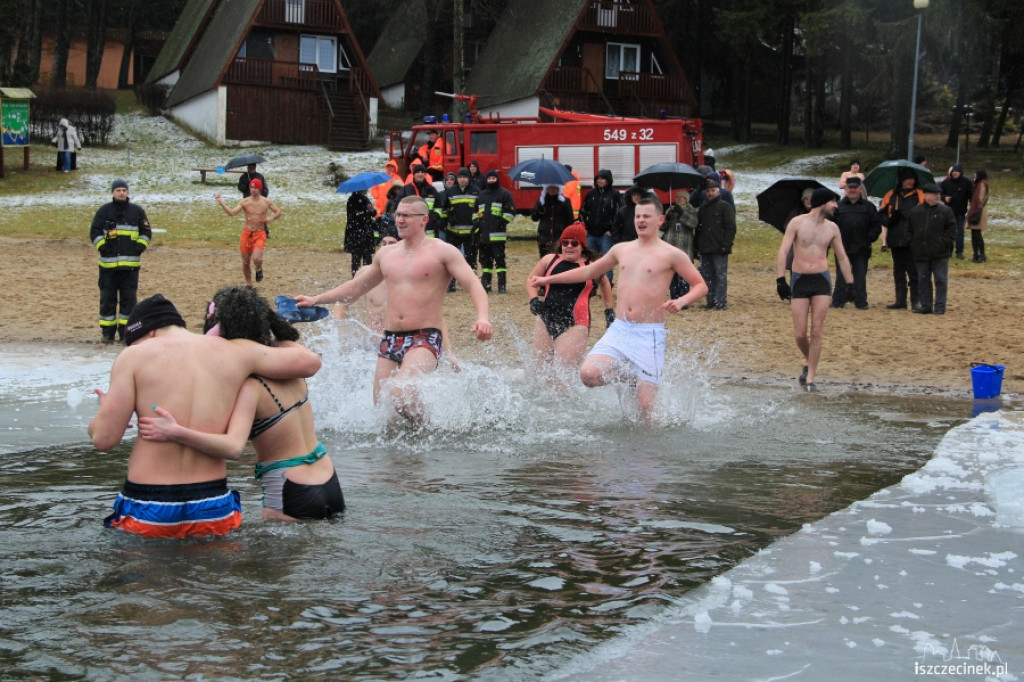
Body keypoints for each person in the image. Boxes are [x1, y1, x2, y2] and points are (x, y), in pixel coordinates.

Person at [88, 294, 322, 538]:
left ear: (149, 333)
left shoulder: (133, 357)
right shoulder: (236, 351)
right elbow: (310, 363)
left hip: (149, 503)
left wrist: (106, 412)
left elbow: (104, 440)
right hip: (212, 506)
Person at [136, 287, 345, 522]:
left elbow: (233, 447)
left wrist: (176, 432)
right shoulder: (291, 362)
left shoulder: (251, 387)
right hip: (328, 477)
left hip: (288, 486)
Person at [295, 197, 493, 423]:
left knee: (400, 395)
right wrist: (316, 299)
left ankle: (432, 432)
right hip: (389, 339)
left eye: (407, 215)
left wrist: (483, 317)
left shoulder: (443, 252)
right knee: (381, 413)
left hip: (424, 338)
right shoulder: (386, 255)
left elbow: (473, 284)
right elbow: (356, 287)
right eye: (398, 214)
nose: (400, 220)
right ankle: (403, 454)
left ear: (423, 220)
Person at [528, 198, 708, 422]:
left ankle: (648, 438)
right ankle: (632, 374)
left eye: (646, 216)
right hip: (621, 329)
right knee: (588, 375)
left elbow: (701, 286)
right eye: (638, 216)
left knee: (645, 409)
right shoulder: (621, 249)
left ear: (660, 220)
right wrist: (548, 279)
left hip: (648, 334)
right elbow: (588, 272)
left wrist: (681, 301)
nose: (641, 220)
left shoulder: (672, 254)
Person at [775, 188, 854, 393]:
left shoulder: (832, 228)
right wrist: (780, 278)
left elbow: (842, 257)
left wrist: (851, 284)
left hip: (821, 280)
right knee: (800, 334)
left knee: (817, 330)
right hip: (799, 279)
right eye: (833, 202)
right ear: (822, 203)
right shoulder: (797, 223)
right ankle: (809, 361)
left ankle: (810, 379)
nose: (836, 205)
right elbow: (784, 250)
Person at [525, 222, 614, 391]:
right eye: (565, 242)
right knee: (537, 376)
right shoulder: (549, 260)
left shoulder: (592, 266)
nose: (569, 247)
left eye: (574, 243)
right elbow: (531, 280)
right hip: (546, 319)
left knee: (561, 379)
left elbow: (605, 283)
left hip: (575, 323)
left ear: (582, 246)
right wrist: (534, 300)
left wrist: (608, 310)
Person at [90, 178, 152, 342]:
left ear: (127, 192)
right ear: (113, 192)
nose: (122, 193)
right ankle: (107, 333)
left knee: (129, 301)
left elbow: (146, 232)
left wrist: (139, 247)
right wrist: (103, 247)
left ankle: (126, 333)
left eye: (124, 190)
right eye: (118, 190)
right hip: (108, 267)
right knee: (107, 300)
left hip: (130, 267)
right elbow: (94, 232)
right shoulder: (104, 211)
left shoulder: (137, 211)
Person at [216, 180, 282, 287]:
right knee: (246, 261)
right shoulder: (245, 202)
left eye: (255, 188)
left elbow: (278, 212)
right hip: (247, 234)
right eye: (251, 188)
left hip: (260, 233)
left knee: (256, 258)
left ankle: (259, 268)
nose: (253, 190)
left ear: (260, 189)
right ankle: (249, 284)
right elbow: (232, 213)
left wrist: (271, 218)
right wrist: (221, 202)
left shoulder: (266, 202)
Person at [831, 176, 882, 309]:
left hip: (862, 248)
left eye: (855, 187)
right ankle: (838, 301)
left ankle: (860, 302)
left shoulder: (869, 207)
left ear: (860, 189)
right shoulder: (838, 206)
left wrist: (869, 237)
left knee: (860, 277)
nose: (852, 190)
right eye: (850, 188)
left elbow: (876, 226)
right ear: (846, 189)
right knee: (841, 277)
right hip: (842, 248)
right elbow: (831, 225)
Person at [907, 183, 956, 315]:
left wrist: (943, 242)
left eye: (939, 194)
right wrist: (913, 243)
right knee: (923, 280)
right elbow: (908, 229)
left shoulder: (946, 211)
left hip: (940, 253)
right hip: (921, 252)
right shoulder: (915, 211)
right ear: (926, 195)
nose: (938, 196)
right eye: (935, 194)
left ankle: (940, 306)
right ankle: (926, 305)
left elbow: (952, 230)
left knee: (940, 280)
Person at [879, 168, 924, 309]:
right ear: (902, 180)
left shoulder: (919, 195)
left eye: (912, 179)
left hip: (913, 238)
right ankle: (900, 300)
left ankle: (915, 301)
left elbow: (925, 212)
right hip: (896, 238)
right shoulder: (891, 195)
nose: (911, 181)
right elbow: (881, 214)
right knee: (898, 271)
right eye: (908, 178)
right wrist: (890, 220)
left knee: (913, 271)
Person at [695, 178, 736, 310]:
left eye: (712, 190)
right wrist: (697, 244)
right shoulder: (703, 208)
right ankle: (710, 300)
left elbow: (731, 228)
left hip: (719, 247)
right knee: (707, 275)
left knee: (720, 275)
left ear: (718, 192)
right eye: (708, 191)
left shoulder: (725, 207)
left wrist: (726, 244)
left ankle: (720, 302)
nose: (710, 193)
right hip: (705, 247)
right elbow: (699, 228)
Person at [476, 169, 515, 293]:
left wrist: (501, 222)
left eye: (493, 178)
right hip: (483, 236)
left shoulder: (505, 194)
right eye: (489, 178)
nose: (491, 180)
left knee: (500, 262)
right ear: (486, 180)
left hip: (498, 236)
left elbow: (510, 212)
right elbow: (475, 212)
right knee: (485, 263)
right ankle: (486, 286)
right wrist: (477, 225)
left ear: (497, 179)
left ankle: (502, 286)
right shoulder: (481, 195)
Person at [441, 167, 479, 290]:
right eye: (460, 177)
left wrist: (478, 224)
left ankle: (470, 283)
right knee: (452, 258)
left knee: (471, 258)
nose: (462, 180)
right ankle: (451, 284)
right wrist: (445, 222)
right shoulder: (450, 192)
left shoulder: (476, 192)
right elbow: (443, 210)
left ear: (469, 178)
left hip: (470, 232)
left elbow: (480, 210)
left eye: (465, 177)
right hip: (453, 231)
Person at [579, 169, 622, 273]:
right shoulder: (591, 194)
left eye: (602, 178)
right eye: (598, 178)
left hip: (605, 235)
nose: (600, 180)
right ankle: (592, 285)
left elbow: (619, 215)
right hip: (591, 234)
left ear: (608, 180)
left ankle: (607, 286)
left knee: (606, 263)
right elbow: (583, 211)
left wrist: (611, 230)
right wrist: (584, 227)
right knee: (590, 261)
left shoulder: (615, 194)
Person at [662, 188, 699, 299]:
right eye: (677, 197)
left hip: (684, 245)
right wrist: (667, 218)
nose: (678, 199)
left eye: (681, 197)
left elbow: (693, 223)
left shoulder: (691, 210)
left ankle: (684, 297)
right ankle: (674, 296)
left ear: (686, 199)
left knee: (684, 273)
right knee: (671, 273)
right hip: (671, 244)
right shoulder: (671, 209)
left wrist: (682, 214)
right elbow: (662, 227)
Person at [940, 164, 974, 260]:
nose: (955, 173)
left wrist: (972, 208)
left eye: (957, 172)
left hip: (960, 212)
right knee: (948, 232)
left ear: (960, 173)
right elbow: (940, 193)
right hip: (948, 212)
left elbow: (970, 196)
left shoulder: (966, 183)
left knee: (959, 232)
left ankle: (959, 251)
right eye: (953, 172)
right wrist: (944, 198)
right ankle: (948, 250)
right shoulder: (946, 182)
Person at [399, 164, 442, 238]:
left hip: (429, 226)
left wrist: (434, 217)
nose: (420, 174)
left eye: (422, 172)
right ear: (414, 174)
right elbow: (398, 205)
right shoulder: (406, 189)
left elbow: (439, 206)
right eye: (418, 172)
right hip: (410, 224)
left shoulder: (431, 190)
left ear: (425, 175)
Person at [531, 183, 574, 257]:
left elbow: (570, 222)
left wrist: (564, 237)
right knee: (545, 262)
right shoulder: (541, 201)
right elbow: (534, 218)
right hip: (544, 238)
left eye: (555, 188)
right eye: (550, 187)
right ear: (546, 189)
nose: (552, 190)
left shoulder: (565, 202)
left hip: (559, 238)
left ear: (559, 189)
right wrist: (539, 210)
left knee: (558, 261)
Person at [344, 189, 376, 277]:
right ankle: (362, 277)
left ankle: (361, 277)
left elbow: (373, 213)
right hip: (361, 233)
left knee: (361, 258)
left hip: (359, 233)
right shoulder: (359, 200)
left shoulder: (356, 200)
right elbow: (371, 213)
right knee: (362, 258)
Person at [967, 169, 990, 263]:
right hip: (976, 209)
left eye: (975, 174)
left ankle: (981, 254)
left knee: (976, 233)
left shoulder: (981, 184)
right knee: (974, 233)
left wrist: (977, 208)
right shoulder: (979, 184)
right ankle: (976, 254)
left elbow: (980, 197)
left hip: (977, 210)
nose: (974, 176)